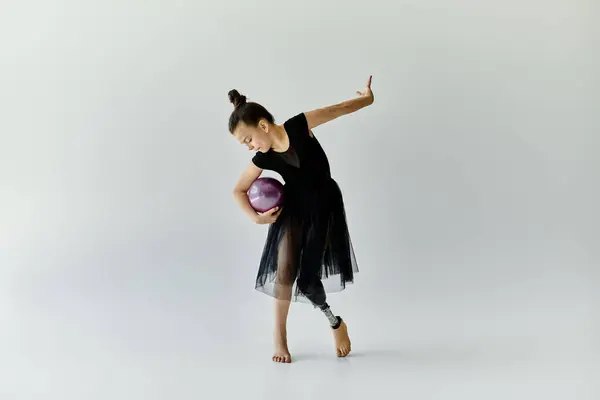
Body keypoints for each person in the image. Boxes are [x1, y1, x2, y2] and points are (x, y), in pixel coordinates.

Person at [229, 76, 374, 363]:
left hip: (324, 207)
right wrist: (257, 219)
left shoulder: (299, 125)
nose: (248, 147)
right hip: (293, 212)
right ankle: (279, 338)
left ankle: (335, 322)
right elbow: (238, 190)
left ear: (263, 125)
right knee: (284, 273)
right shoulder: (264, 157)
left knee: (308, 282)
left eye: (248, 140)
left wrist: (366, 99)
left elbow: (339, 109)